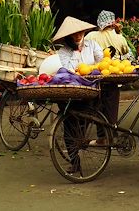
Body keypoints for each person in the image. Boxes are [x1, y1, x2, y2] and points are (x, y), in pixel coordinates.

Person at [52, 16, 103, 173]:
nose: (77, 36)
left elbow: (101, 61)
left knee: (88, 118)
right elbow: (67, 69)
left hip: (90, 89)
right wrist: (76, 52)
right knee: (69, 125)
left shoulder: (92, 45)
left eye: (80, 32)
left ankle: (96, 135)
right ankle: (75, 162)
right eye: (73, 34)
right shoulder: (64, 51)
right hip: (71, 91)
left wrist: (91, 67)